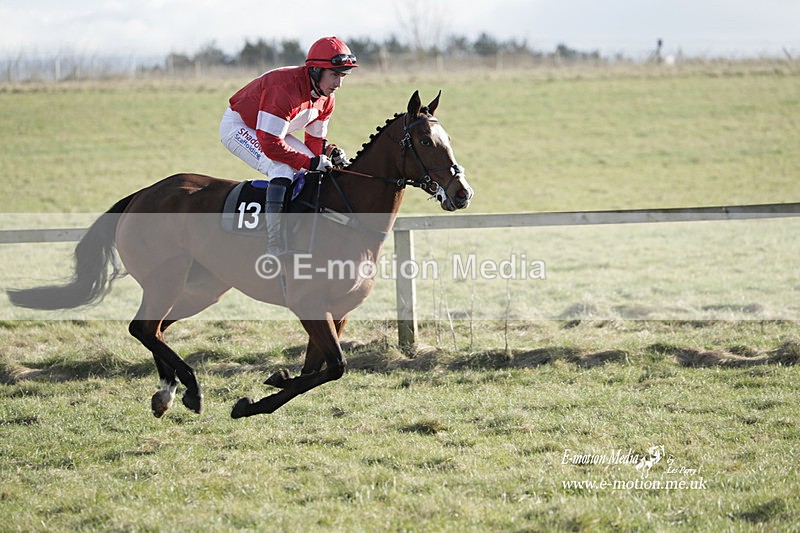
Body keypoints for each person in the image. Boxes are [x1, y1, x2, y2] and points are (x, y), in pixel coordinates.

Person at [219, 36, 358, 255]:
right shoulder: (284, 89)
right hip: (241, 126)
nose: (338, 84)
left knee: (318, 171)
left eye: (342, 76)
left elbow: (314, 141)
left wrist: (327, 153)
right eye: (334, 75)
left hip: (273, 130)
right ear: (315, 71)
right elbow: (270, 145)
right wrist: (309, 161)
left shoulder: (327, 98)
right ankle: (275, 242)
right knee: (281, 168)